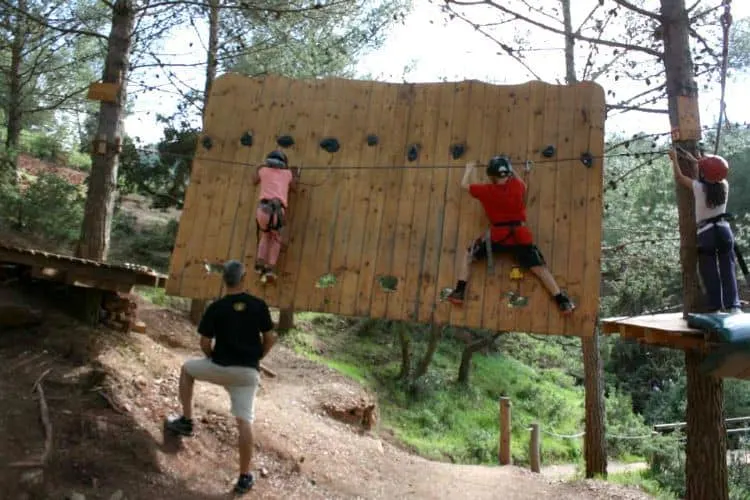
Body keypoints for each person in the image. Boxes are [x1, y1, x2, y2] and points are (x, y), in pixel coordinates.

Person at [166, 260, 278, 495]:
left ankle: (186, 421)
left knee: (187, 369)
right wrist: (258, 357)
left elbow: (204, 343)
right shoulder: (259, 305)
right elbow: (270, 338)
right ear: (244, 279)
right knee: (244, 421)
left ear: (224, 280)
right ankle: (245, 477)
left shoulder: (215, 308)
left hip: (218, 367)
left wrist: (211, 359)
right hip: (247, 374)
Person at [446, 156, 575, 315]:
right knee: (540, 269)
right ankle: (562, 301)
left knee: (468, 255)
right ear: (508, 173)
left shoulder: (486, 191)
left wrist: (469, 168)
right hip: (520, 236)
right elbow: (524, 185)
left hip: (497, 237)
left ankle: (459, 292)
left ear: (492, 175)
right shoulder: (517, 187)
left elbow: (464, 185)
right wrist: (511, 168)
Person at [669, 147, 741, 314]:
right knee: (727, 268)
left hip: (706, 233)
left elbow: (680, 178)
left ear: (705, 173)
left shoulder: (698, 188)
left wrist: (675, 160)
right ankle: (733, 306)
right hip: (724, 231)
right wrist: (696, 160)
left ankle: (715, 307)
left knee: (709, 271)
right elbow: (712, 172)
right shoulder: (724, 184)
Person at [253, 150, 297, 282]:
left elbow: (253, 180)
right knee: (276, 238)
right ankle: (270, 268)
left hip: (262, 211)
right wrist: (295, 175)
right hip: (277, 211)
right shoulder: (287, 174)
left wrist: (258, 168)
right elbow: (294, 188)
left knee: (265, 235)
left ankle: (260, 264)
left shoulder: (263, 171)